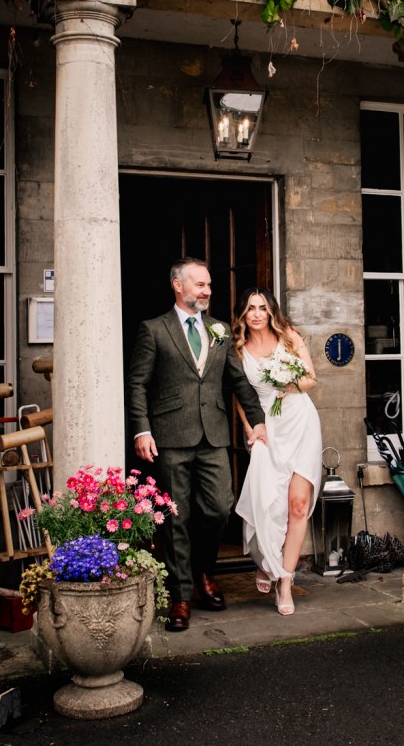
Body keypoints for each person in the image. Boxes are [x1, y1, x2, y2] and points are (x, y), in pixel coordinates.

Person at [126, 258, 266, 632]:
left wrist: (258, 422)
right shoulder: (154, 329)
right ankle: (181, 595)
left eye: (208, 285)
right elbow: (138, 383)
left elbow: (238, 381)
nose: (207, 291)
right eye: (200, 284)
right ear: (178, 286)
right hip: (170, 437)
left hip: (213, 436)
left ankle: (205, 570)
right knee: (177, 517)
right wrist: (142, 430)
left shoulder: (220, 330)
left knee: (219, 508)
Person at [233, 288, 322, 616]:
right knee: (266, 502)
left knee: (297, 504)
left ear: (271, 311)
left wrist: (288, 383)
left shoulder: (289, 337)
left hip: (300, 422)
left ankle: (285, 580)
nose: (257, 314)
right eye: (250, 308)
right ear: (243, 314)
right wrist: (249, 428)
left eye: (262, 308)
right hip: (266, 428)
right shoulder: (238, 349)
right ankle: (265, 561)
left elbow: (311, 378)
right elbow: (240, 394)